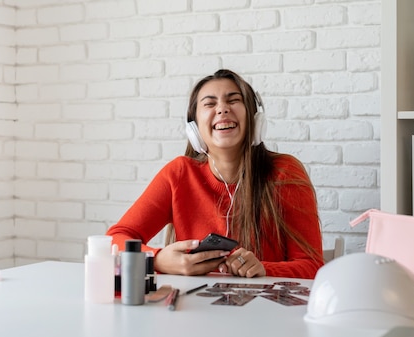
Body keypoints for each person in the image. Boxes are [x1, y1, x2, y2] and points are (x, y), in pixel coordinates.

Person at [106, 69, 323, 279]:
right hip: (195, 309)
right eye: (210, 103)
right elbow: (115, 239)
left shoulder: (285, 171)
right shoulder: (179, 173)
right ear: (194, 129)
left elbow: (312, 266)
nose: (222, 109)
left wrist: (263, 270)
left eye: (233, 100)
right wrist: (157, 259)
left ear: (255, 119)